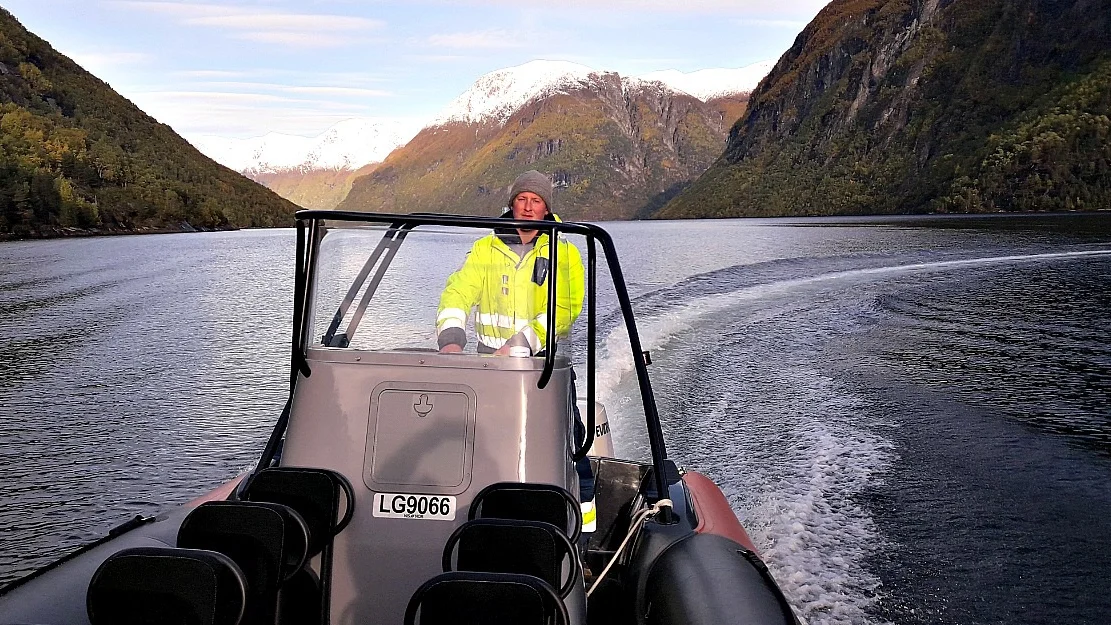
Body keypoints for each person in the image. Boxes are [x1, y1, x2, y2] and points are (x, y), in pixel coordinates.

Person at [435, 170, 596, 533]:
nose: (527, 206)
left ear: (546, 208)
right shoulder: (485, 248)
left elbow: (565, 308)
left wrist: (521, 344)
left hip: (542, 366)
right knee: (474, 445)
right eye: (522, 199)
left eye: (535, 200)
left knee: (571, 442)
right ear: (511, 204)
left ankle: (584, 535)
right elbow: (459, 291)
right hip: (486, 364)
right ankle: (476, 525)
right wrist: (451, 336)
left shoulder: (564, 252)